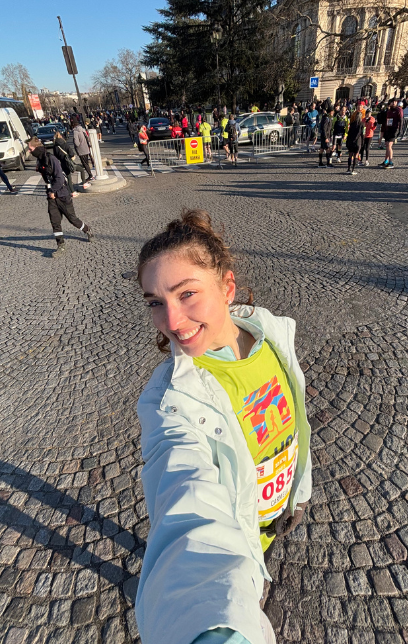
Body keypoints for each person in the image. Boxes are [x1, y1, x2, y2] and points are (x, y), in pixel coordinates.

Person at [135, 209, 312, 644]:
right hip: (239, 540)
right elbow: (184, 495)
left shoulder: (271, 334)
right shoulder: (169, 400)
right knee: (247, 593)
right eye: (156, 302)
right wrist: (215, 628)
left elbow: (297, 424)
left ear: (227, 288)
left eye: (187, 294)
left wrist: (300, 491)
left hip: (279, 511)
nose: (171, 321)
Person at [28, 138, 94, 257]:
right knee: (55, 222)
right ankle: (61, 245)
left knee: (72, 219)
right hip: (51, 197)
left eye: (30, 149)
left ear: (37, 148)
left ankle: (87, 229)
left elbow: (60, 178)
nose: (29, 151)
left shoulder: (51, 159)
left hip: (62, 195)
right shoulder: (40, 160)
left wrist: (53, 191)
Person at [53, 130, 87, 195]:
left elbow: (56, 156)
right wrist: (71, 157)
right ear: (61, 136)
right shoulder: (64, 144)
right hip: (69, 162)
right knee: (81, 170)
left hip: (63, 163)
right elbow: (71, 153)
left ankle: (72, 192)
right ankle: (84, 183)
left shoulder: (55, 147)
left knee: (69, 178)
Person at [380, 99, 403, 169]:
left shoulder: (398, 110)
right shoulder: (389, 111)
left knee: (389, 145)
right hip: (388, 129)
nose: (393, 103)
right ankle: (386, 161)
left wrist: (400, 130)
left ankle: (391, 162)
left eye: (395, 102)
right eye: (392, 102)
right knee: (387, 145)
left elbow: (401, 120)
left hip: (394, 129)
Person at [345, 110, 363, 175]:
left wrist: (348, 141)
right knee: (356, 155)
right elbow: (361, 134)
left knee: (350, 155)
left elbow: (349, 133)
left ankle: (348, 168)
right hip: (357, 141)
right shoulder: (361, 124)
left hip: (350, 140)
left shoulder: (352, 124)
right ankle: (353, 169)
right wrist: (362, 142)